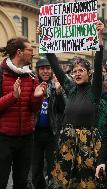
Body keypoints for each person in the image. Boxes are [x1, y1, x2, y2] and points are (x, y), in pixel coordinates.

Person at [45, 21, 107, 188]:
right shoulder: (70, 88)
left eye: (81, 70)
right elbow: (56, 67)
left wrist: (99, 38)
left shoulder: (95, 90)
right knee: (62, 179)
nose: (77, 73)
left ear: (89, 73)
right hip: (67, 138)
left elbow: (98, 60)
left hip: (88, 140)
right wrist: (43, 38)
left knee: (87, 180)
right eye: (75, 71)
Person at [0, 37, 47, 189]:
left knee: (21, 182)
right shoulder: (1, 73)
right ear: (19, 52)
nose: (32, 54)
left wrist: (37, 97)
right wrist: (13, 97)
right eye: (30, 51)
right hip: (3, 138)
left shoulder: (31, 76)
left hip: (26, 138)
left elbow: (33, 109)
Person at [32, 58, 65, 189]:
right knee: (35, 167)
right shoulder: (33, 85)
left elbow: (62, 109)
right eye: (42, 69)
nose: (45, 71)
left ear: (51, 70)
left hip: (52, 133)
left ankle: (52, 186)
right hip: (35, 133)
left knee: (52, 166)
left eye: (48, 68)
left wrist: (58, 93)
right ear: (38, 71)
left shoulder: (56, 85)